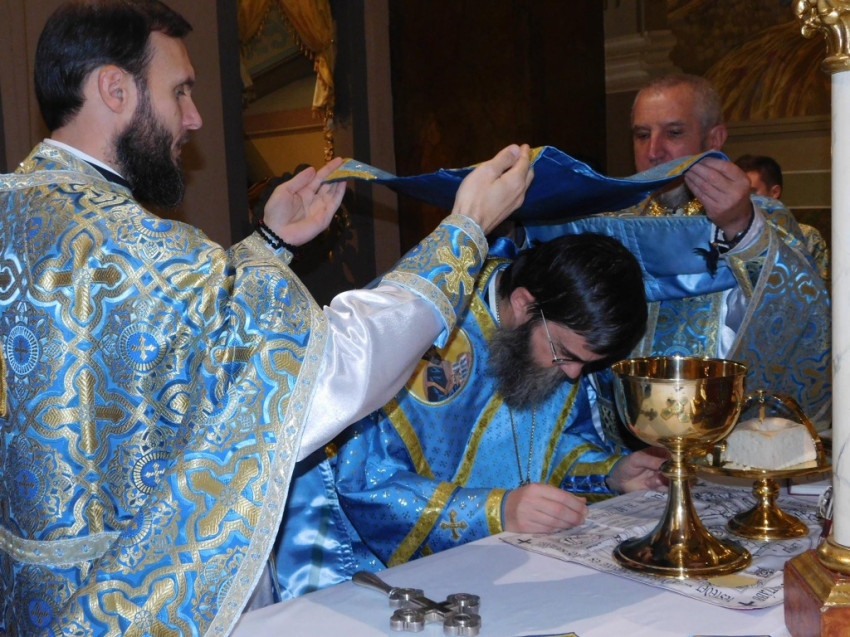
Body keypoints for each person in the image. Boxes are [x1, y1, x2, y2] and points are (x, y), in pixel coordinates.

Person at [0, 1, 534, 635]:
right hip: (137, 603)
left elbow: (173, 338)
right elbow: (326, 372)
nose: (194, 118)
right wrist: (464, 232)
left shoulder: (18, 210)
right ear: (115, 89)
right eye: (179, 91)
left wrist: (270, 244)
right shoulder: (136, 246)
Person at [332, 233, 666, 568]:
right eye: (565, 354)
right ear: (522, 304)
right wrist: (493, 512)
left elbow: (544, 448)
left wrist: (608, 473)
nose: (573, 374)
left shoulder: (557, 331)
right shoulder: (416, 325)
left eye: (587, 363)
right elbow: (366, 480)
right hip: (381, 572)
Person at [525, 73, 831, 433]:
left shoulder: (764, 220)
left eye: (673, 133)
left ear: (714, 139)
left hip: (727, 438)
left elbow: (804, 319)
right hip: (628, 443)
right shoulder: (610, 224)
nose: (654, 151)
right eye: (642, 135)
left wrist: (741, 228)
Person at [734, 153, 829, 282]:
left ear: (774, 192)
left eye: (751, 192)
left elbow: (819, 287)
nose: (741, 198)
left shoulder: (808, 237)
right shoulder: (722, 237)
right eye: (737, 191)